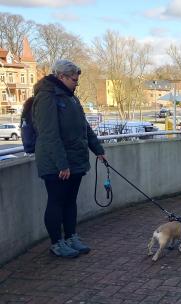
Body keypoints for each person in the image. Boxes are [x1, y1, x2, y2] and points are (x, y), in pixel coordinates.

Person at [32, 59, 107, 258]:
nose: (76, 83)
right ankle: (57, 242)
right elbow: (49, 134)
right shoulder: (47, 97)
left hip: (74, 160)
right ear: (61, 77)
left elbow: (84, 127)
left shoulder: (71, 98)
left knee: (70, 201)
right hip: (56, 163)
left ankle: (71, 236)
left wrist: (98, 149)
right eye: (74, 79)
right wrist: (61, 164)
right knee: (56, 201)